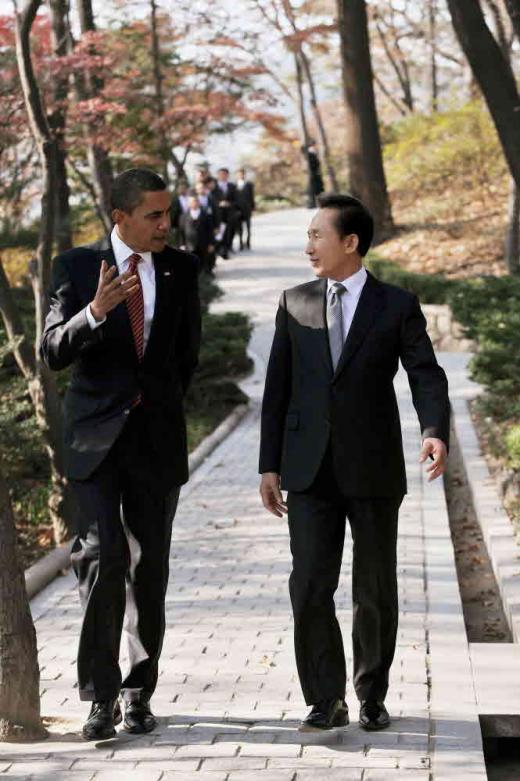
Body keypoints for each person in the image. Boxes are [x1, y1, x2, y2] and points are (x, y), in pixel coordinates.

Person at [259, 193, 449, 733]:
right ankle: (325, 698)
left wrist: (434, 431)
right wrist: (268, 465)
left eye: (317, 235)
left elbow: (425, 373)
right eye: (308, 236)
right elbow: (277, 389)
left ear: (350, 242)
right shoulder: (294, 302)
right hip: (308, 469)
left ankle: (371, 695)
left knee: (374, 588)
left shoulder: (396, 304)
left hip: (373, 466)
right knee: (308, 585)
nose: (308, 246)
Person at [40, 168, 201, 741]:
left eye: (168, 213)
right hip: (95, 443)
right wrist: (94, 312)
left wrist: (158, 407)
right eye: (154, 215)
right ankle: (100, 696)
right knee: (103, 558)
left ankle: (139, 694)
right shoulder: (77, 266)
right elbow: (52, 350)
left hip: (155, 442)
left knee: (149, 569)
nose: (165, 224)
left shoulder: (181, 268)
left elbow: (186, 355)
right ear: (120, 217)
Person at [180, 192, 216, 274]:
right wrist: (182, 244)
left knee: (203, 263)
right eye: (192, 202)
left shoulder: (205, 215)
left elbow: (210, 230)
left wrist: (211, 243)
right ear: (189, 204)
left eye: (196, 201)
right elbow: (181, 231)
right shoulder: (183, 216)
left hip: (203, 244)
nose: (194, 203)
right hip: (190, 245)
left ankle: (205, 276)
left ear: (199, 203)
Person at [215, 167, 238, 257]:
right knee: (219, 231)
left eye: (225, 174)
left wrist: (229, 203)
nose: (222, 176)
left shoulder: (232, 186)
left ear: (228, 175)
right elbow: (211, 198)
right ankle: (218, 248)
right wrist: (218, 203)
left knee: (229, 231)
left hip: (229, 213)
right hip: (218, 213)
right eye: (221, 174)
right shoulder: (214, 186)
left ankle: (227, 248)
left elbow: (236, 200)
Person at [235, 167, 255, 250]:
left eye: (242, 174)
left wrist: (252, 208)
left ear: (244, 175)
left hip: (247, 209)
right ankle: (240, 243)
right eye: (239, 174)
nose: (241, 175)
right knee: (239, 228)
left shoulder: (249, 184)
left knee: (248, 227)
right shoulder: (234, 185)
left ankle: (248, 242)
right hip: (238, 209)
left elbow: (252, 197)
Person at [301, 141, 324, 208]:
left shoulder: (311, 154)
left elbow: (316, 164)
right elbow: (314, 164)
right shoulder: (309, 155)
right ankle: (313, 203)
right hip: (313, 174)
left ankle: (316, 203)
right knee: (314, 189)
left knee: (317, 189)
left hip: (315, 174)